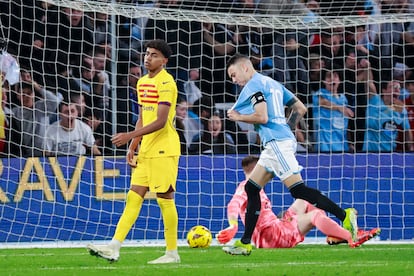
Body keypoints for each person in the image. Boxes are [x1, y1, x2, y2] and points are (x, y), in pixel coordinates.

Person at [224, 53, 358, 256]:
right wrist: (286, 129)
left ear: (245, 68)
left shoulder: (253, 85)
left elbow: (262, 116)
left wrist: (238, 116)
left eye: (233, 75)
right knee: (252, 189)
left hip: (277, 143)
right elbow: (300, 108)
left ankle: (344, 214)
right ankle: (244, 243)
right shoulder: (273, 84)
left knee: (298, 191)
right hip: (276, 143)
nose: (234, 80)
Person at [87, 39, 181, 264]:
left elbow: (160, 121)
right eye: (147, 53)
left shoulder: (166, 83)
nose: (148, 58)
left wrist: (128, 136)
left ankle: (172, 253)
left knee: (164, 198)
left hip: (164, 149)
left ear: (164, 60)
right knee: (133, 197)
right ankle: (114, 247)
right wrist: (133, 145)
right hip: (146, 149)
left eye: (154, 55)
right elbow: (142, 117)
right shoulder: (141, 82)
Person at [218, 156, 381, 249]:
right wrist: (233, 225)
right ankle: (351, 236)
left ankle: (335, 235)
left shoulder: (256, 187)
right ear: (256, 170)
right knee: (315, 214)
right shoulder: (246, 187)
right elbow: (233, 204)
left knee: (305, 200)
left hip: (275, 228)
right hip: (271, 237)